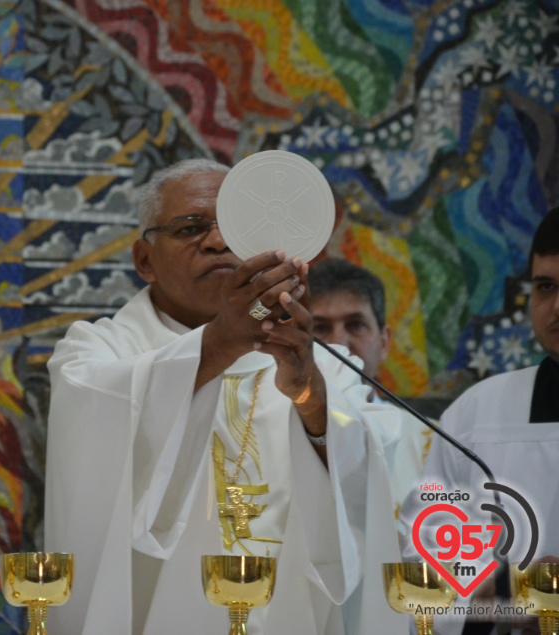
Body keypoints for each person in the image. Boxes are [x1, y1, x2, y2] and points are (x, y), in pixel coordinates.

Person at [43, 158, 407, 635]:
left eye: (235, 227)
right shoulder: (97, 352)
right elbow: (94, 445)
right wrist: (219, 342)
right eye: (191, 227)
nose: (218, 242)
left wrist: (309, 398)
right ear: (144, 260)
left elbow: (366, 489)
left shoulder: (323, 368)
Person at [399, 207, 559, 635]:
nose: (557, 305)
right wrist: (507, 591)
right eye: (546, 286)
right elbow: (426, 551)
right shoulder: (480, 412)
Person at [310, 258, 433, 520]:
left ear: (384, 342)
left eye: (355, 325)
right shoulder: (266, 430)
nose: (339, 344)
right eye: (320, 328)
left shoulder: (430, 441)